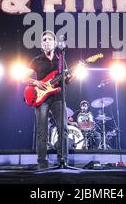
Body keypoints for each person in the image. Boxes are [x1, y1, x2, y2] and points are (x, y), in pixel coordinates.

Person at [23, 30, 73, 169]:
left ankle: (63, 160)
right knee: (42, 131)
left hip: (57, 98)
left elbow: (67, 81)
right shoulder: (37, 60)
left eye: (49, 39)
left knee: (63, 129)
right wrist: (36, 83)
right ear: (41, 44)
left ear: (55, 43)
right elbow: (23, 78)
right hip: (41, 99)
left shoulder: (61, 60)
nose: (46, 41)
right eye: (44, 39)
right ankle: (42, 163)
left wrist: (69, 77)